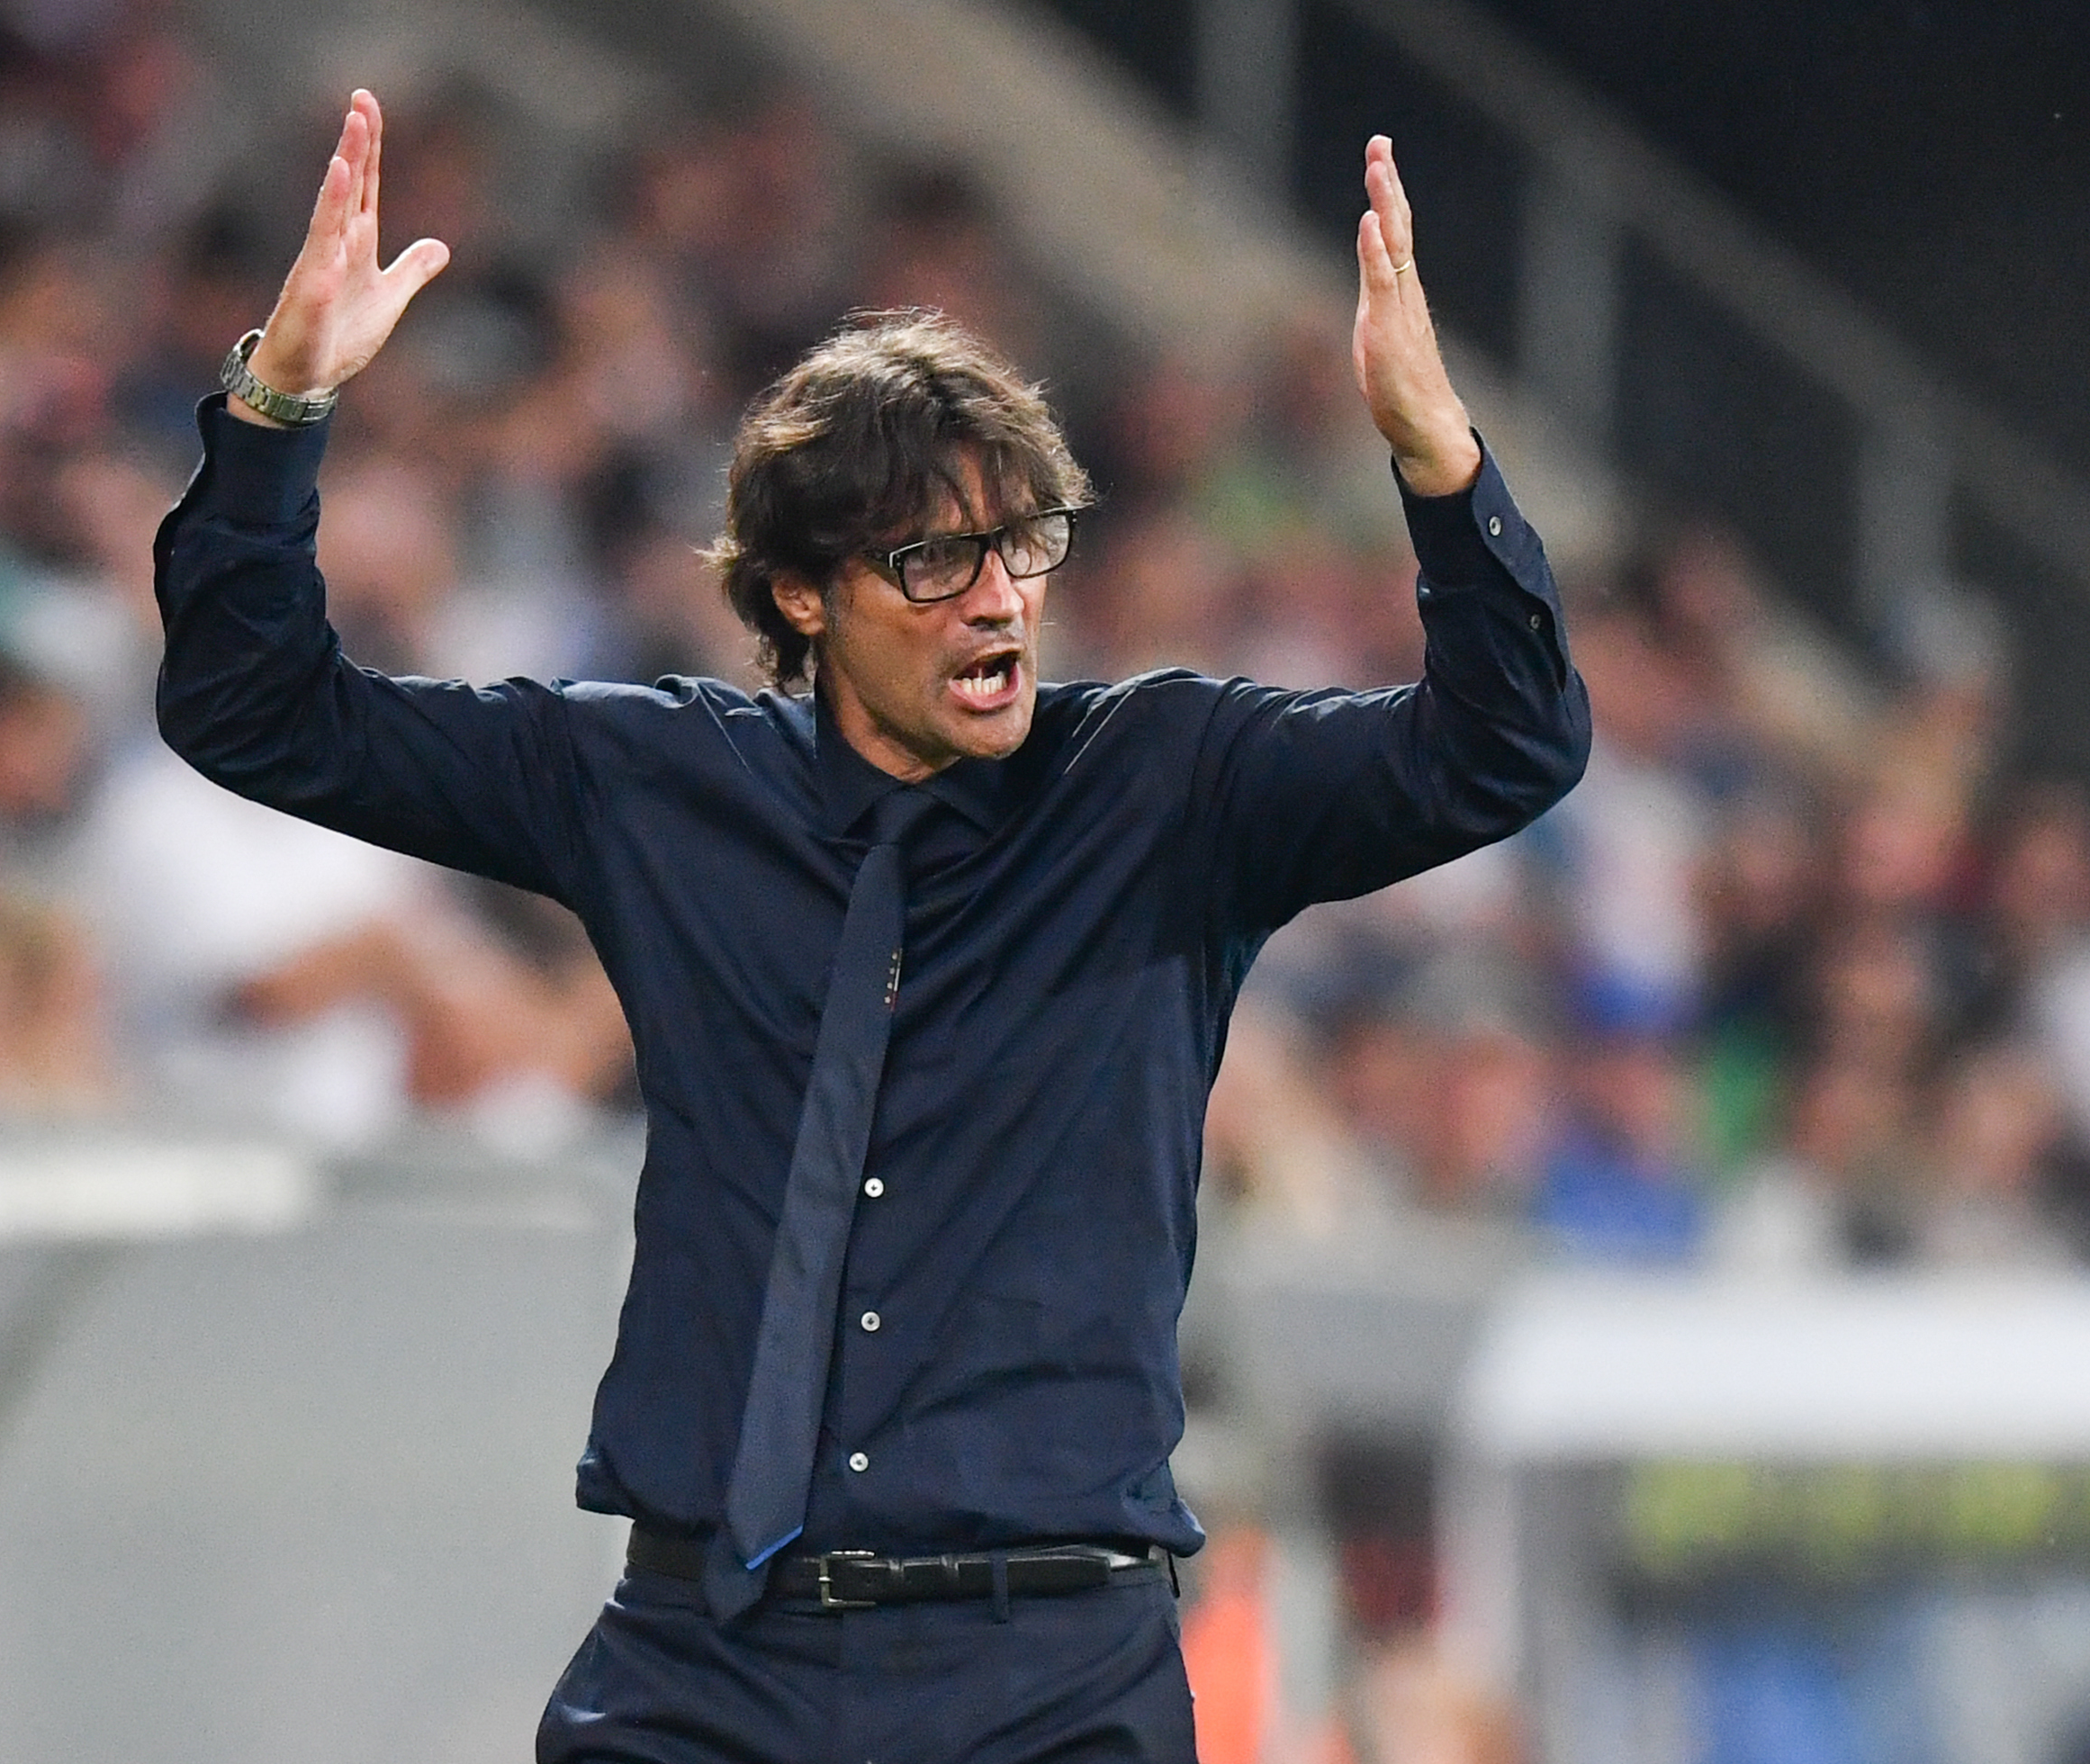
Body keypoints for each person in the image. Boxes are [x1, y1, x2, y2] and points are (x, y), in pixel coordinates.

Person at [152, 91, 1589, 1763]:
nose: (997, 599)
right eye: (931, 559)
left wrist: (1436, 461)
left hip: (1049, 1673)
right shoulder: (651, 777)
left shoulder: (1169, 782)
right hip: (709, 1656)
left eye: (1022, 546)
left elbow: (1504, 748)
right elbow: (256, 711)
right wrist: (278, 404)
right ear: (800, 595)